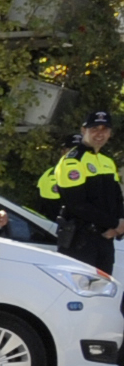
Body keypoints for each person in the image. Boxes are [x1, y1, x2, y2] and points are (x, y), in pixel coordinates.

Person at [53, 111, 122, 274]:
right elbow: (77, 205)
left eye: (105, 129)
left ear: (110, 133)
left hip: (105, 240)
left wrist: (119, 223)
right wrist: (113, 223)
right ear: (83, 130)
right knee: (76, 297)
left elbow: (117, 197)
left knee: (101, 295)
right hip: (80, 241)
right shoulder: (73, 161)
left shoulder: (107, 161)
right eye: (94, 128)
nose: (100, 134)